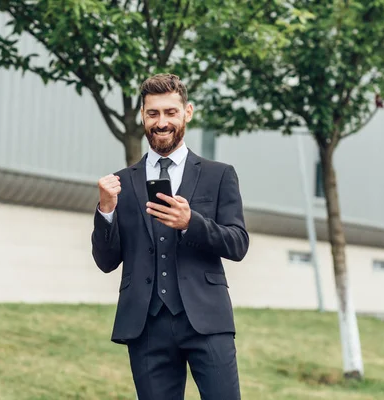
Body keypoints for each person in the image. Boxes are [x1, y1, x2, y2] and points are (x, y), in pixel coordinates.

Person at [91, 73, 249, 400]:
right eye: (153, 114)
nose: (161, 122)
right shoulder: (122, 182)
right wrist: (106, 210)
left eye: (170, 112)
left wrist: (192, 222)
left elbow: (237, 243)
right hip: (146, 326)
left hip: (207, 319)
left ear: (187, 113)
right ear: (143, 117)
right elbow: (106, 261)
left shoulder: (219, 175)